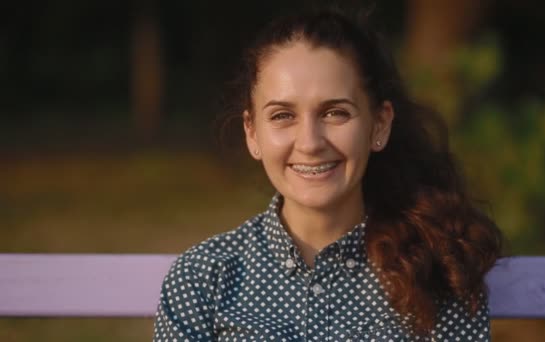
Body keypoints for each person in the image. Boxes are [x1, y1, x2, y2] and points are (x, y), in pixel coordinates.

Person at [153, 8, 502, 342]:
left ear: (379, 124)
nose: (310, 142)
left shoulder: (438, 269)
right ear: (252, 133)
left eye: (335, 113)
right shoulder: (202, 278)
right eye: (282, 116)